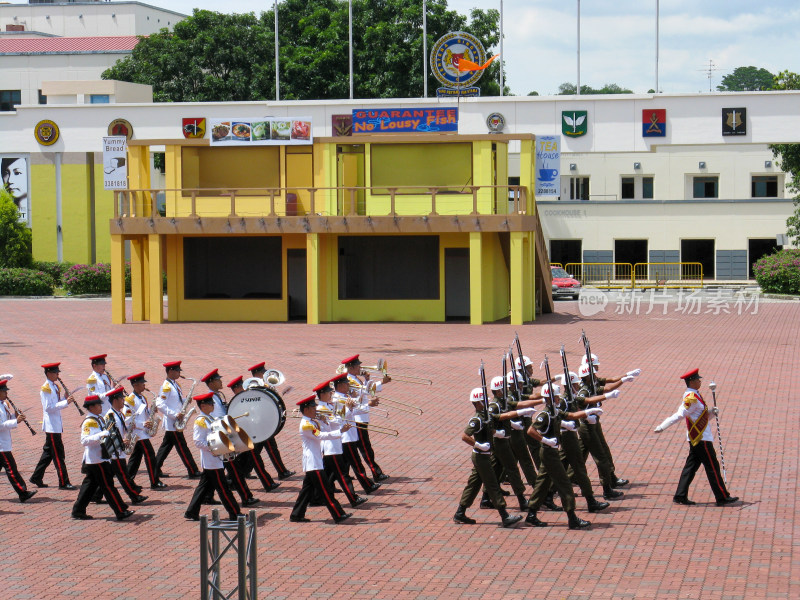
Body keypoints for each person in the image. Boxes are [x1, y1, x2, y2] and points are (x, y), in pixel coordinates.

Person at [654, 368, 738, 507]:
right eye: (698, 379)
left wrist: (711, 413)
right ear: (691, 381)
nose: (700, 381)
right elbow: (680, 414)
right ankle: (722, 496)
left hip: (700, 436)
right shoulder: (691, 398)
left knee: (691, 467)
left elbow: (699, 416)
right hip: (701, 439)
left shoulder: (695, 394)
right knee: (712, 467)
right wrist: (663, 425)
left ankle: (680, 495)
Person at [524, 382, 601, 530]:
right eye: (557, 397)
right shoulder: (545, 414)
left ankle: (531, 514)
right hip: (548, 453)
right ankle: (572, 518)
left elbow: (572, 415)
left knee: (542, 483)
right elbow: (530, 431)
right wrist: (545, 440)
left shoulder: (555, 411)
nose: (559, 399)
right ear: (551, 398)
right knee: (565, 484)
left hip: (551, 452)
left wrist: (589, 412)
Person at [452, 387, 523, 528]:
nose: (486, 404)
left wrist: (498, 432)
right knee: (492, 484)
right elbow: (465, 436)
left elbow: (495, 422)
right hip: (481, 457)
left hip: (483, 455)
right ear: (477, 404)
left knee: (474, 484)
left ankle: (460, 512)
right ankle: (504, 515)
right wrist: (477, 444)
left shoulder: (485, 416)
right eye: (483, 402)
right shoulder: (477, 419)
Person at [579, 353, 639, 489]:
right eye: (595, 366)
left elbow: (610, 381)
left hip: (593, 421)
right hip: (587, 423)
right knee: (601, 453)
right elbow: (586, 400)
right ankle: (609, 482)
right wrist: (607, 395)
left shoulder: (593, 382)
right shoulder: (584, 389)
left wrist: (625, 376)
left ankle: (572, 476)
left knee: (580, 453)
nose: (597, 368)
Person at [289, 394, 352, 523]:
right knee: (326, 491)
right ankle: (338, 514)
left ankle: (296, 514)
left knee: (306, 491)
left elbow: (325, 430)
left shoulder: (312, 421)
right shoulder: (307, 424)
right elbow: (321, 436)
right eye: (313, 408)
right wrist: (341, 431)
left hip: (314, 461)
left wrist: (324, 421)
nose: (316, 410)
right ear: (306, 410)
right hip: (313, 463)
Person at [71, 394, 134, 521]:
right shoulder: (89, 422)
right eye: (98, 405)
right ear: (91, 407)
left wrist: (120, 442)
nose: (101, 406)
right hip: (97, 459)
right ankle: (120, 510)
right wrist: (101, 435)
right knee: (108, 485)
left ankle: (78, 510)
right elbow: (84, 440)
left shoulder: (99, 419)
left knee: (89, 486)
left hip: (101, 457)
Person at [201, 369, 258, 507]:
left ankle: (205, 497)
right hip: (222, 439)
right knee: (234, 469)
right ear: (212, 382)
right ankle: (246, 497)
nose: (221, 381)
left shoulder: (217, 396)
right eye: (218, 380)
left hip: (223, 437)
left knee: (210, 474)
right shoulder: (212, 398)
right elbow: (218, 418)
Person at [555, 371, 611, 513]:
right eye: (574, 383)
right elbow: (555, 417)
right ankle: (547, 495)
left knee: (571, 466)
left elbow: (578, 410)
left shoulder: (572, 398)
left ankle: (590, 500)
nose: (577, 385)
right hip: (566, 437)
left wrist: (586, 415)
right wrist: (582, 417)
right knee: (574, 467)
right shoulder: (563, 401)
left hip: (573, 436)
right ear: (569, 385)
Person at [185, 393, 243, 522]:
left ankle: (191, 511)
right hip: (212, 460)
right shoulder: (201, 421)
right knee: (223, 489)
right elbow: (198, 442)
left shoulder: (209, 418)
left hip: (214, 459)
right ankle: (234, 513)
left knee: (203, 486)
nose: (213, 405)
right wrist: (216, 448)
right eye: (211, 403)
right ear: (203, 405)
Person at [315, 378, 367, 508]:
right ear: (322, 394)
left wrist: (360, 406)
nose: (331, 394)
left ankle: (315, 498)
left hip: (334, 444)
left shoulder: (329, 405)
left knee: (325, 475)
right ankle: (353, 498)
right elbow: (337, 422)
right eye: (328, 392)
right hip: (330, 446)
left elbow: (341, 417)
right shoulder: (322, 409)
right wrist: (348, 409)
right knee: (343, 475)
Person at [479, 375, 528, 512]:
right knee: (512, 468)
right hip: (500, 441)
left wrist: (537, 402)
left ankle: (485, 497)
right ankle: (522, 499)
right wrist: (498, 433)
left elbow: (517, 405)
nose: (506, 391)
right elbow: (489, 424)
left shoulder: (503, 402)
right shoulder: (494, 406)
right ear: (499, 391)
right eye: (504, 389)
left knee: (496, 469)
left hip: (502, 440)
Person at [227, 376, 280, 493]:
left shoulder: (245, 399)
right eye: (241, 387)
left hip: (250, 434)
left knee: (246, 460)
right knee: (255, 460)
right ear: (235, 389)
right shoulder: (237, 402)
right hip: (243, 435)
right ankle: (268, 483)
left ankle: (231, 481)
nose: (244, 388)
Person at [30, 362, 78, 490]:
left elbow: (56, 403)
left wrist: (64, 398)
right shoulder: (46, 388)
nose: (58, 375)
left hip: (56, 424)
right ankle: (63, 481)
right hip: (51, 426)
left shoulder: (55, 386)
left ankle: (36, 476)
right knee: (58, 455)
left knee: (48, 453)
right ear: (48, 373)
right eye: (55, 372)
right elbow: (48, 408)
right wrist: (65, 403)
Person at [343, 354, 390, 481]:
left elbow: (366, 391)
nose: (361, 367)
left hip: (361, 417)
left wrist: (367, 379)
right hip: (357, 419)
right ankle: (376, 472)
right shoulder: (350, 381)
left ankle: (343, 475)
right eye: (358, 366)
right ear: (352, 367)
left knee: (351, 450)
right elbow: (364, 391)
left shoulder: (355, 379)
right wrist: (381, 382)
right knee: (365, 448)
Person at [332, 373, 380, 495]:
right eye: (346, 384)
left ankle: (327, 485)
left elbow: (355, 410)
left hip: (350, 435)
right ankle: (368, 485)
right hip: (346, 436)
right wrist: (349, 407)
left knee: (338, 466)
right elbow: (340, 417)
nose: (349, 386)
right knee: (356, 464)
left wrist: (368, 405)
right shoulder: (337, 399)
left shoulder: (344, 396)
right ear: (341, 386)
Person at [247, 362, 294, 479]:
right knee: (271, 448)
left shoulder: (265, 384)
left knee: (257, 449)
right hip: (261, 422)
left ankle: (244, 470)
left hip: (265, 420)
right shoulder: (253, 386)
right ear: (257, 373)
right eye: (263, 372)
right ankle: (282, 471)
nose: (265, 374)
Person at [155, 361, 200, 479]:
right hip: (173, 422)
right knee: (182, 447)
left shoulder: (175, 384)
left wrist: (185, 400)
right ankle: (193, 470)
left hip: (176, 422)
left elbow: (174, 400)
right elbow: (160, 404)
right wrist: (175, 415)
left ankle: (154, 469)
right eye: (177, 371)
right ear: (170, 371)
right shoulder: (166, 386)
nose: (179, 373)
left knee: (166, 447)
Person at [105, 385, 148, 504]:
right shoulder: (110, 416)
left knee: (110, 477)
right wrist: (121, 441)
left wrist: (140, 425)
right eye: (121, 399)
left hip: (119, 451)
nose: (123, 401)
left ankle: (96, 494)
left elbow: (124, 427)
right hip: (115, 451)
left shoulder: (119, 413)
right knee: (123, 476)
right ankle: (134, 496)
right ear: (115, 400)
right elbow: (109, 434)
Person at [124, 372, 166, 489]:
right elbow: (127, 419)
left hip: (143, 433)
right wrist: (143, 424)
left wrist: (152, 411)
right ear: (136, 385)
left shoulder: (143, 397)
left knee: (135, 459)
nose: (144, 386)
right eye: (142, 384)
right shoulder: (130, 400)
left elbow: (145, 413)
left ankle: (128, 481)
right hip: (138, 433)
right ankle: (154, 481)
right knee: (150, 456)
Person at [0, 379, 36, 503]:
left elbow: (8, 418)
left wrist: (15, 415)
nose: (6, 394)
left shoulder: (4, 404)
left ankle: (22, 492)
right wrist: (16, 421)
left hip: (4, 443)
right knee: (11, 469)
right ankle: (22, 492)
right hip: (1, 445)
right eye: (4, 391)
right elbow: (1, 425)